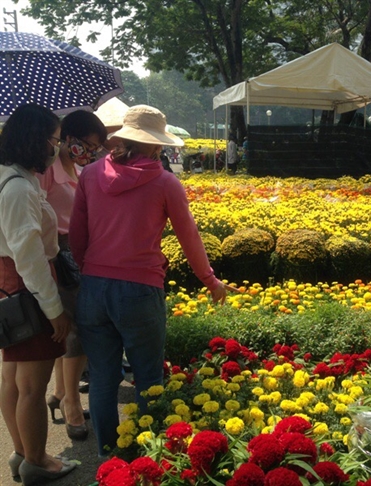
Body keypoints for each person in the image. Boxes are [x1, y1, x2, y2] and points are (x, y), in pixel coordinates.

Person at [68, 105, 239, 456]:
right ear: (156, 145)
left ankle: (107, 453)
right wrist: (210, 281)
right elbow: (188, 236)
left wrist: (93, 271)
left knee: (102, 377)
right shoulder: (164, 182)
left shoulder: (89, 175)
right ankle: (149, 455)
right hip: (140, 291)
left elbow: (77, 235)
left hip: (94, 287)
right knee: (147, 377)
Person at [0, 104, 76, 484]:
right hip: (26, 289)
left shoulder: (14, 178)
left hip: (10, 285)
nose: (56, 148)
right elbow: (29, 256)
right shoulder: (16, 188)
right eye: (54, 140)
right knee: (31, 385)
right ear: (36, 140)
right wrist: (55, 310)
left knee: (12, 378)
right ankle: (37, 461)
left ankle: (21, 453)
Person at [37, 110, 107, 442]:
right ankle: (71, 404)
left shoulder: (77, 168)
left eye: (96, 148)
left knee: (76, 325)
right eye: (88, 145)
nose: (91, 152)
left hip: (79, 253)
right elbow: (38, 213)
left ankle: (59, 392)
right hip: (58, 254)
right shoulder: (48, 170)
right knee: (77, 329)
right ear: (69, 138)